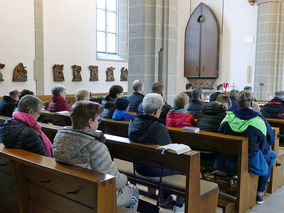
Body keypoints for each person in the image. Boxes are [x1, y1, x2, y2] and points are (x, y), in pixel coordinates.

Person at [52, 101, 138, 210]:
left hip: (68, 188)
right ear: (90, 122)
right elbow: (114, 181)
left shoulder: (60, 139)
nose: (99, 123)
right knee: (133, 191)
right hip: (91, 195)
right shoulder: (95, 147)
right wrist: (126, 180)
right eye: (98, 120)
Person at [216, 91, 276, 204]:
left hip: (227, 159)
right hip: (249, 162)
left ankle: (237, 178)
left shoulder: (228, 117)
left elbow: (220, 136)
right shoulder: (258, 121)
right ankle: (259, 193)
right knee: (271, 155)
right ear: (252, 104)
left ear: (238, 103)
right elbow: (267, 144)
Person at [129, 93, 184, 211]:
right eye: (160, 109)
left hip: (138, 165)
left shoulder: (133, 122)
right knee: (184, 168)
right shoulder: (158, 127)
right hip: (153, 169)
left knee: (162, 161)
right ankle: (178, 205)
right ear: (156, 111)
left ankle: (161, 196)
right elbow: (170, 151)